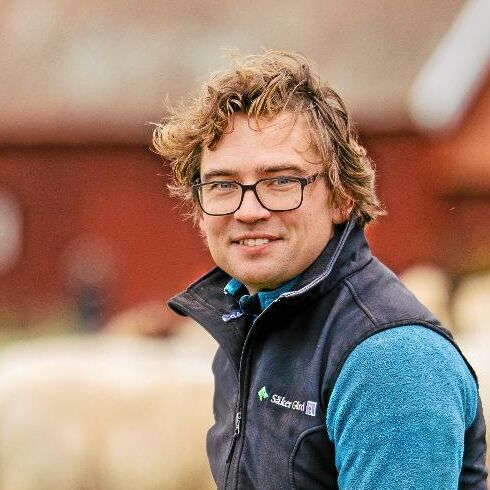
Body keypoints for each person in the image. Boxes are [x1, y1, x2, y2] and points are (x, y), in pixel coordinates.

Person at [152, 51, 487, 489]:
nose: (248, 210)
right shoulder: (248, 328)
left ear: (342, 197)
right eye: (222, 184)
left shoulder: (390, 362)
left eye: (281, 181)